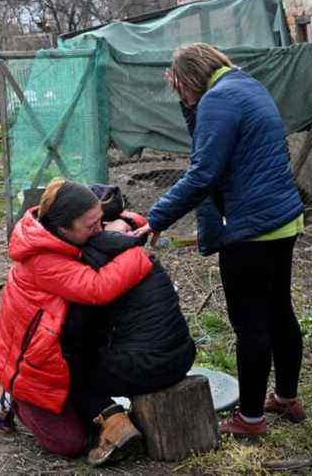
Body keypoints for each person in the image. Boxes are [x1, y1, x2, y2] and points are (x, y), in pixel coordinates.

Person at [133, 43, 307, 436]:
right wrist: (189, 103)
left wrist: (157, 217)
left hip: (251, 229)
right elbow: (207, 144)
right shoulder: (245, 86)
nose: (181, 97)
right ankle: (285, 398)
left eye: (180, 89)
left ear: (190, 79)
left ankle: (249, 419)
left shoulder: (218, 100)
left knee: (250, 325)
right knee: (280, 310)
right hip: (283, 220)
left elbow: (202, 171)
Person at [0, 179, 153, 464]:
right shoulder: (41, 259)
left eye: (100, 220)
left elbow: (121, 218)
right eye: (91, 226)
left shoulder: (70, 223)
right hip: (32, 365)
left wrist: (128, 224)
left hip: (63, 348)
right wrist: (137, 252)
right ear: (64, 229)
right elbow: (96, 288)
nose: (99, 228)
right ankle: (11, 394)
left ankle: (86, 399)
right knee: (69, 443)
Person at [60, 184, 196, 465]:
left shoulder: (90, 259)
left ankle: (111, 420)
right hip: (182, 355)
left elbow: (81, 329)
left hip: (148, 366)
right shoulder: (127, 243)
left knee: (66, 365)